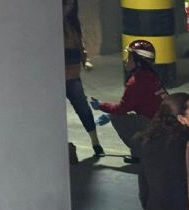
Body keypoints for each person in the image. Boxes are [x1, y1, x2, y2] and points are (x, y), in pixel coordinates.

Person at [90, 40, 167, 163]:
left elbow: (121, 109)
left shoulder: (136, 81)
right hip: (163, 125)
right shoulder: (151, 76)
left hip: (156, 127)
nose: (126, 60)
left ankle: (140, 153)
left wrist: (101, 106)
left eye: (130, 57)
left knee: (117, 117)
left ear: (138, 61)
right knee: (125, 116)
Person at [63, 0, 103, 157]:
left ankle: (95, 142)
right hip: (62, 77)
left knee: (83, 108)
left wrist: (84, 59)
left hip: (72, 75)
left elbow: (79, 45)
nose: (70, 7)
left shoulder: (72, 25)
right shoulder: (53, 24)